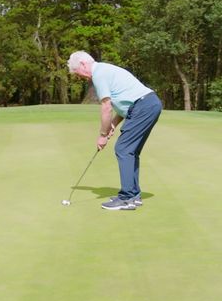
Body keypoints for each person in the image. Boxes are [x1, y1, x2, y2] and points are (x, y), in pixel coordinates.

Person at [67, 51, 163, 211]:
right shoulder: (105, 69)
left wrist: (103, 135)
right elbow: (125, 101)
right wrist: (113, 123)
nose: (81, 77)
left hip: (143, 106)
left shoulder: (98, 74)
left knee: (123, 149)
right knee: (130, 151)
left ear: (84, 64)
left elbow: (106, 107)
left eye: (79, 73)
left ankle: (126, 198)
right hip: (148, 104)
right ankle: (134, 195)